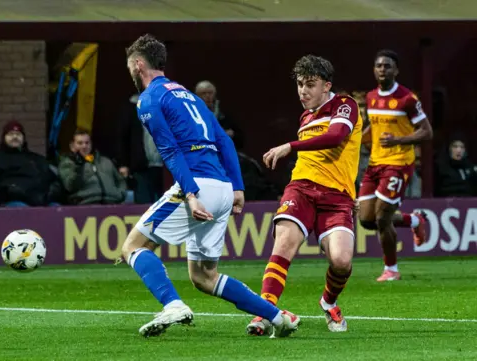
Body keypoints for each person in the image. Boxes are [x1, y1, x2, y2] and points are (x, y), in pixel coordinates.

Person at [121, 34, 299, 338]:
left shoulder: (149, 99)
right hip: (222, 187)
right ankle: (278, 317)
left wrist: (190, 194)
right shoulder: (190, 96)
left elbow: (170, 151)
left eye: (129, 67)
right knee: (204, 276)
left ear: (139, 64)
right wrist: (238, 189)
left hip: (198, 186)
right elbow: (224, 141)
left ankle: (173, 304)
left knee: (133, 247)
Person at [249, 55, 362, 335]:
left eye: (310, 84)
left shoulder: (345, 105)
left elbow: (336, 136)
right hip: (300, 188)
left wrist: (290, 145)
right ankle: (264, 312)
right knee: (284, 244)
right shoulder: (305, 117)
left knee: (341, 261)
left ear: (327, 85)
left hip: (337, 197)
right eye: (300, 84)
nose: (303, 91)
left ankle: (329, 302)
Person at [357, 50, 433, 282]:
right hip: (375, 164)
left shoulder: (407, 98)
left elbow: (427, 132)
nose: (382, 70)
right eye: (379, 66)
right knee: (366, 219)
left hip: (399, 163)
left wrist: (398, 140)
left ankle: (392, 269)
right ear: (374, 70)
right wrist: (357, 139)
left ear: (396, 70)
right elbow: (375, 129)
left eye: (387, 66)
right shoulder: (370, 97)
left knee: (382, 218)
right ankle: (414, 220)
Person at [0, 121, 62, 207]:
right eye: (10, 134)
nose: (15, 137)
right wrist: (7, 190)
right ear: (4, 137)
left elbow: (52, 177)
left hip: (40, 201)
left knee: (57, 208)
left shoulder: (36, 159)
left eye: (18, 134)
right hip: (11, 202)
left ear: (23, 138)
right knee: (21, 208)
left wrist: (53, 190)